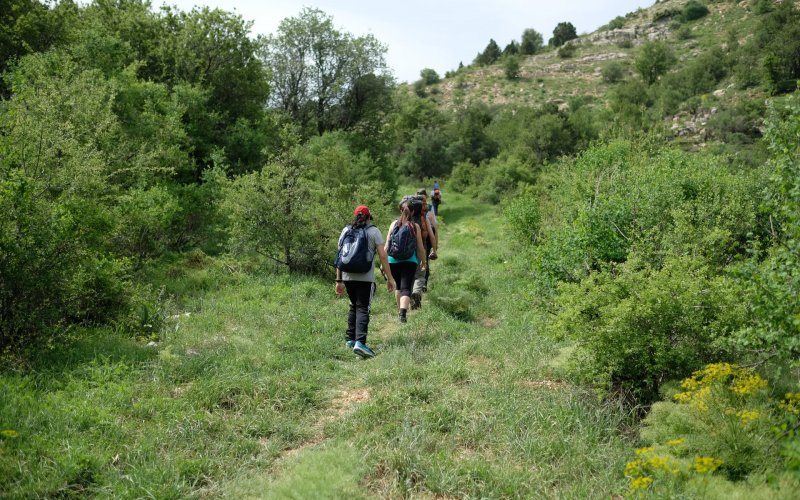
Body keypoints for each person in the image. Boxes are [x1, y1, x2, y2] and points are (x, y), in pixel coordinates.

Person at [335, 205, 395, 359]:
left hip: (348, 276)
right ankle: (360, 343)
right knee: (363, 308)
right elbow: (383, 255)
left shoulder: (345, 231)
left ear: (355, 217)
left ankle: (350, 340)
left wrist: (338, 280)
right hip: (365, 278)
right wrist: (389, 278)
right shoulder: (373, 231)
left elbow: (340, 256)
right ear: (369, 218)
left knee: (353, 306)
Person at [385, 200, 427, 323]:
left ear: (400, 211)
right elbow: (420, 247)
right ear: (413, 212)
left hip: (393, 260)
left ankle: (400, 311)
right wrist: (423, 262)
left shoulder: (393, 224)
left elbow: (387, 245)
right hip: (410, 260)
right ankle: (403, 313)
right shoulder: (415, 226)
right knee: (406, 288)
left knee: (398, 286)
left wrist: (383, 263)